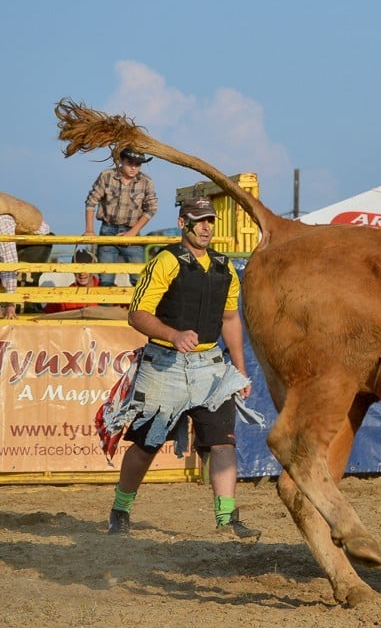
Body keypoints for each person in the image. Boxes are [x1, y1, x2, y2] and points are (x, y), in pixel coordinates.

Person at [103, 197, 262, 539]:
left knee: (222, 443)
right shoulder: (166, 261)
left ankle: (226, 520)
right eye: (199, 220)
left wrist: (239, 369)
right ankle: (120, 510)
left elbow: (231, 318)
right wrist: (172, 334)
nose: (206, 227)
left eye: (210, 221)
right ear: (182, 223)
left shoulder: (224, 266)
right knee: (146, 445)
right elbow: (138, 314)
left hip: (210, 366)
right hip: (164, 364)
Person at [84, 147, 158, 287]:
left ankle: (139, 309)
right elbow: (91, 201)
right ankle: (106, 309)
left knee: (139, 278)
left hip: (132, 232)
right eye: (130, 163)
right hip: (108, 230)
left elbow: (152, 208)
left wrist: (133, 233)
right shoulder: (107, 176)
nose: (134, 168)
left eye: (138, 164)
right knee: (106, 279)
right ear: (121, 161)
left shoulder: (146, 182)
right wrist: (89, 229)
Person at [0, 191, 52, 319]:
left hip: (36, 241)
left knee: (24, 278)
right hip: (17, 239)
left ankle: (25, 309)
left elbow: (9, 260)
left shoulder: (3, 222)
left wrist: (10, 302)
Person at [42, 249, 100, 313]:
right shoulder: (66, 294)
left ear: (93, 269)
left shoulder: (106, 289)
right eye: (77, 269)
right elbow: (46, 313)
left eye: (85, 268)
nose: (81, 273)